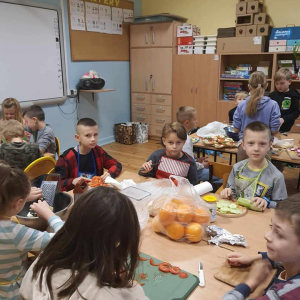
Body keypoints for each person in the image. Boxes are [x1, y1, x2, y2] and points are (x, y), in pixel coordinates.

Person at [20, 187, 149, 300]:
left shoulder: (44, 260)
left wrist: (50, 216)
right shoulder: (107, 294)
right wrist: (129, 286)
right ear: (119, 240)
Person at [0, 162, 63, 300]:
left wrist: (18, 198)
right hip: (11, 293)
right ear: (18, 203)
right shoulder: (15, 234)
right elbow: (63, 238)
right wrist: (50, 215)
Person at [221, 195, 300, 300]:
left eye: (279, 234)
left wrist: (249, 285)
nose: (267, 236)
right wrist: (256, 257)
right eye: (271, 227)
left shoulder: (288, 294)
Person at [220, 121, 287, 210]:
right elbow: (232, 192)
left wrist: (267, 202)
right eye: (251, 143)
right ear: (243, 145)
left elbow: (282, 206)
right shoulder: (237, 168)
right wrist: (228, 193)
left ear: (269, 146)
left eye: (262, 144)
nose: (256, 149)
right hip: (238, 215)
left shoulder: (276, 176)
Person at [55, 118, 122, 191]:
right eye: (87, 135)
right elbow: (58, 184)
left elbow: (117, 164)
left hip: (96, 193)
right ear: (77, 138)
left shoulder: (98, 151)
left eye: (95, 135)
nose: (93, 139)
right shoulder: (66, 158)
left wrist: (110, 174)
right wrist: (73, 181)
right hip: (77, 196)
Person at [233, 71, 281, 161]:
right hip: (264, 147)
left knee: (243, 173)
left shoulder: (241, 105)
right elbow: (274, 131)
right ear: (266, 85)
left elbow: (236, 129)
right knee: (263, 174)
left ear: (249, 86)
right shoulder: (273, 105)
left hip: (245, 147)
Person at [176, 106, 222, 186]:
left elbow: (186, 158)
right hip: (190, 173)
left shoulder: (179, 135)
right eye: (195, 119)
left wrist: (196, 160)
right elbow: (188, 164)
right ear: (187, 122)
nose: (197, 121)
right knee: (220, 176)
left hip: (184, 170)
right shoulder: (185, 140)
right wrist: (202, 165)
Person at [269, 68, 300, 133]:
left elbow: (296, 112)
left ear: (289, 82)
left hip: (286, 129)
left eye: (282, 83)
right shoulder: (272, 95)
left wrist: (284, 119)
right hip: (271, 128)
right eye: (277, 83)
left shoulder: (294, 95)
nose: (279, 86)